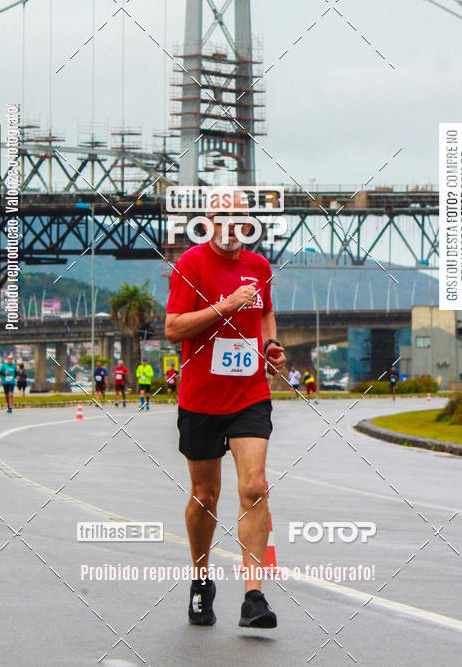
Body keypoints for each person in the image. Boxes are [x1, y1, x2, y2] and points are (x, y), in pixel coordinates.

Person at [165, 187, 286, 630]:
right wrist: (225, 306)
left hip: (249, 394)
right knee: (205, 495)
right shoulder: (191, 263)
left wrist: (270, 344)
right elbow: (174, 327)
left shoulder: (259, 267)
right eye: (221, 217)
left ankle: (254, 597)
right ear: (208, 223)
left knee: (254, 486)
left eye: (239, 217)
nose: (231, 225)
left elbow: (265, 314)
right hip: (201, 399)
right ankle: (201, 580)